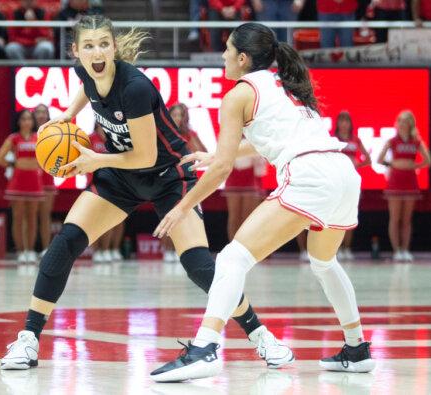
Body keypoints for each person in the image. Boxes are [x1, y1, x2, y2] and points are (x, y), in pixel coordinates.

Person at [0, 15, 292, 371]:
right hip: (122, 177)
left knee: (199, 266)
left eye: (103, 44)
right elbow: (85, 87)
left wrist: (96, 161)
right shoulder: (85, 73)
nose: (97, 52)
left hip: (167, 176)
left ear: (114, 47)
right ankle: (28, 339)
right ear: (76, 51)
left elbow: (145, 155)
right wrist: (65, 117)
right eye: (88, 46)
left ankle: (261, 335)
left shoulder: (135, 87)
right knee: (65, 243)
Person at [150, 22, 375, 382]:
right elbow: (261, 142)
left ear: (242, 57)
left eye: (227, 49)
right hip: (343, 174)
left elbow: (223, 169)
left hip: (310, 175)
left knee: (231, 258)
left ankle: (205, 347)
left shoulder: (239, 93)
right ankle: (357, 347)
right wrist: (214, 154)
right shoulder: (283, 82)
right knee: (324, 262)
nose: (222, 55)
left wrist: (182, 206)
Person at [377, 110, 431, 262]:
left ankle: (406, 250)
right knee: (395, 218)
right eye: (400, 121)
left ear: (410, 124)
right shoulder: (392, 141)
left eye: (406, 121)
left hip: (410, 182)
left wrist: (415, 165)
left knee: (407, 219)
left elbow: (429, 160)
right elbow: (379, 159)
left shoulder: (416, 141)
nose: (402, 124)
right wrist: (393, 164)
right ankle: (396, 251)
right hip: (395, 182)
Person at [0, 110, 44, 264]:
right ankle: (21, 251)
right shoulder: (13, 138)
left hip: (35, 182)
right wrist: (14, 163)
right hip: (17, 182)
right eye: (23, 119)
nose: (27, 122)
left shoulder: (39, 138)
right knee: (18, 218)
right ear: (18, 122)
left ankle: (30, 251)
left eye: (29, 119)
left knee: (32, 218)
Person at [161, 103, 207, 262]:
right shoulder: (163, 133)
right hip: (169, 178)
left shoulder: (189, 134)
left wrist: (192, 147)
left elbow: (205, 154)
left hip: (188, 181)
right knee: (168, 214)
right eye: (174, 114)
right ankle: (167, 249)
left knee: (187, 215)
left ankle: (181, 250)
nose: (177, 118)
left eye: (180, 115)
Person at [334, 111, 371, 260]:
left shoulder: (356, 139)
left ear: (350, 124)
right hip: (337, 181)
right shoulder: (333, 139)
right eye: (341, 120)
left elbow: (368, 159)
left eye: (347, 121)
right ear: (337, 123)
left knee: (349, 215)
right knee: (336, 215)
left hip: (351, 181)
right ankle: (336, 248)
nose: (344, 124)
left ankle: (347, 248)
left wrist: (356, 164)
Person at [89, 123, 124, 263]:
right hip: (95, 183)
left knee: (117, 219)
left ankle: (112, 249)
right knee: (96, 219)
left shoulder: (118, 138)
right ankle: (97, 251)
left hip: (117, 183)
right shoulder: (90, 139)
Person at [33, 104, 56, 258]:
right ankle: (28, 249)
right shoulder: (27, 134)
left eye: (44, 112)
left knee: (45, 215)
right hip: (31, 179)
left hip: (47, 178)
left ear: (48, 116)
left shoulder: (54, 133)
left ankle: (46, 249)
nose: (41, 115)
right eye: (38, 112)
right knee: (30, 216)